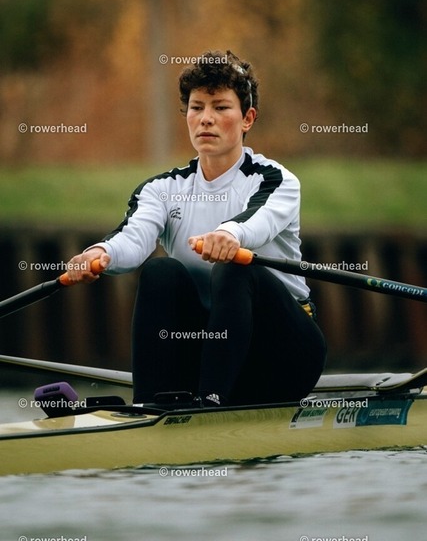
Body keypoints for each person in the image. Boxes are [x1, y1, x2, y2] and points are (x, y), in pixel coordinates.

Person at [67, 50, 326, 407]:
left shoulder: (276, 180)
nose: (206, 118)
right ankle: (149, 405)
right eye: (197, 107)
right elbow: (132, 237)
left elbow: (258, 220)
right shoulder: (161, 189)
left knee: (235, 269)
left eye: (220, 107)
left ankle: (210, 402)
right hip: (208, 351)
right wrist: (100, 253)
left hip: (283, 356)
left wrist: (229, 235)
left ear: (247, 118)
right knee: (160, 271)